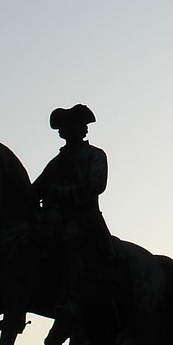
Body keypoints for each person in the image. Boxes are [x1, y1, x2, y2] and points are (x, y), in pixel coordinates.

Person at [32, 104, 112, 304]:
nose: (64, 131)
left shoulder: (95, 155)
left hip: (84, 217)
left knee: (70, 239)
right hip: (54, 217)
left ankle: (73, 298)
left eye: (69, 126)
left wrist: (64, 192)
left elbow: (96, 185)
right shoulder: (57, 161)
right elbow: (37, 188)